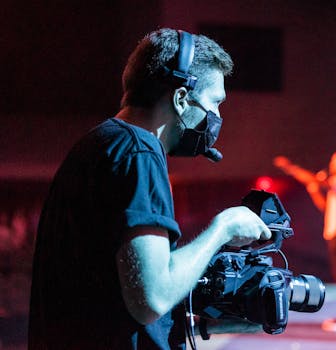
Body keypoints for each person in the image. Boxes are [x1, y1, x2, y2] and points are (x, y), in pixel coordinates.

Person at [28, 28, 272, 349]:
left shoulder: (101, 144)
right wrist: (223, 229)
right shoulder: (139, 153)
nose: (216, 116)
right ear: (181, 99)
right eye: (215, 103)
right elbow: (152, 298)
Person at [274, 150, 336, 332]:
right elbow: (326, 206)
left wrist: (292, 169)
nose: (332, 163)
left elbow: (318, 181)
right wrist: (315, 190)